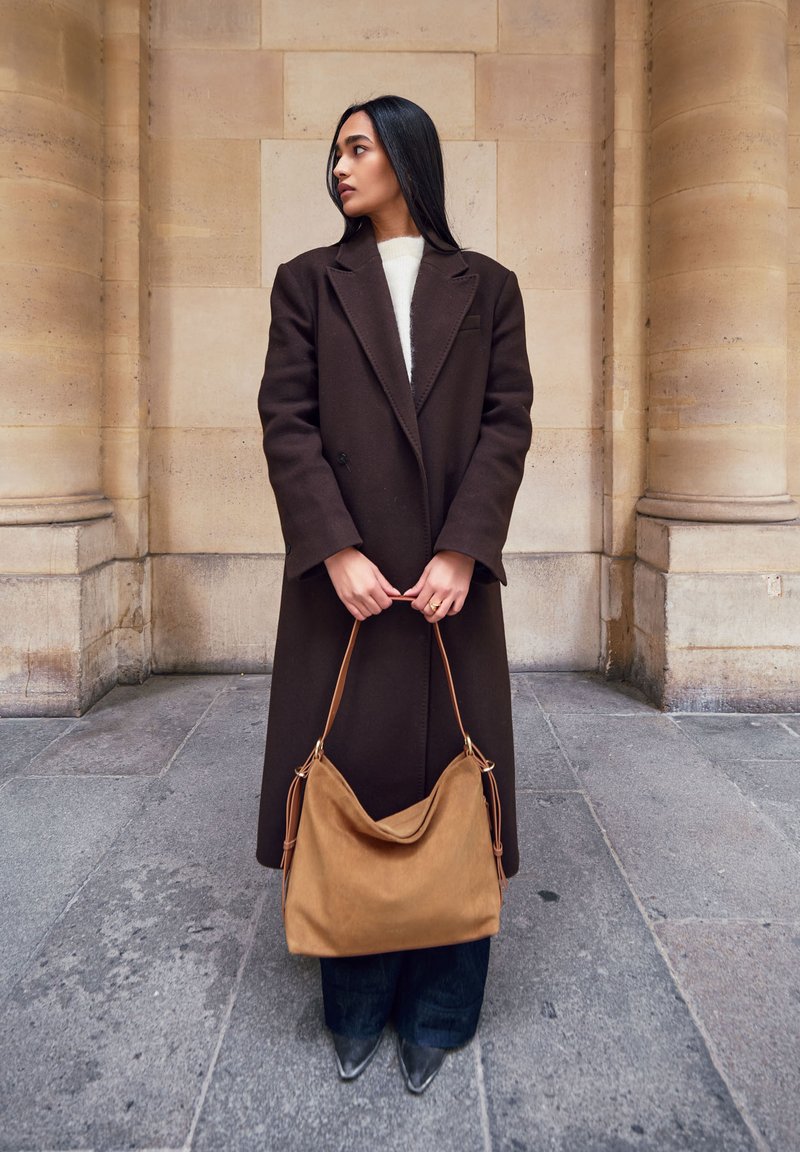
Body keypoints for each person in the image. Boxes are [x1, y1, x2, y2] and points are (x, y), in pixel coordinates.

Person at [255, 95, 533, 1094]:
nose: (338, 166)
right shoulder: (306, 283)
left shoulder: (488, 287)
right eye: (335, 152)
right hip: (350, 589)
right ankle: (355, 1001)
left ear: (405, 160)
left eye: (358, 148)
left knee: (457, 782)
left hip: (445, 588)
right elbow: (284, 419)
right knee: (352, 780)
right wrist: (332, 549)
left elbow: (506, 422)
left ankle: (444, 1008)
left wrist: (463, 550)